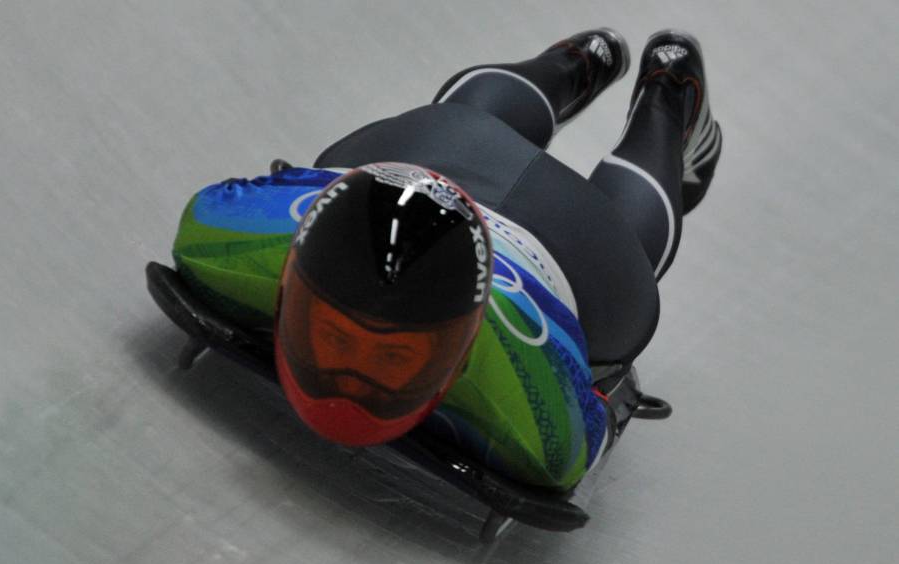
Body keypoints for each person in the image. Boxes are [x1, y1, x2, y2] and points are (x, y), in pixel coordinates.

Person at [170, 28, 722, 491]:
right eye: (337, 339)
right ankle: (661, 95)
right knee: (618, 258)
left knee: (611, 255)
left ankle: (630, 91)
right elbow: (599, 417)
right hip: (497, 189)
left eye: (392, 361)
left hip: (553, 228)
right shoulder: (540, 420)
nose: (351, 382)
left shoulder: (229, 243)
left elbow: (263, 187)